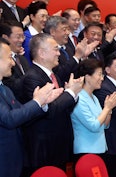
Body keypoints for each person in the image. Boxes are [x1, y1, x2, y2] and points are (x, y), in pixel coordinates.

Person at [20, 33, 83, 176]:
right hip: (43, 147)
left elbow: (65, 108)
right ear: (42, 53)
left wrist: (73, 94)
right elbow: (49, 111)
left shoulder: (54, 75)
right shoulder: (32, 78)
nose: (58, 53)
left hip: (58, 143)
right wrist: (70, 93)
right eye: (55, 49)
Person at [0, 38, 62, 177]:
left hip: (15, 159)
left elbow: (23, 116)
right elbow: (9, 119)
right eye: (10, 57)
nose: (13, 62)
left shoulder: (5, 89)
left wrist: (43, 103)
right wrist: (37, 101)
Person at [71, 59, 116, 160]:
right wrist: (107, 108)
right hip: (86, 151)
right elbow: (94, 126)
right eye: (99, 74)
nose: (102, 78)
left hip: (100, 149)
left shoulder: (94, 97)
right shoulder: (78, 98)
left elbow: (105, 125)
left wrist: (109, 109)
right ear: (87, 77)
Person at [0, 22, 30, 100]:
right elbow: (11, 86)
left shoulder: (22, 59)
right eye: (18, 37)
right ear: (5, 37)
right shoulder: (4, 62)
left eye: (23, 36)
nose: (21, 40)